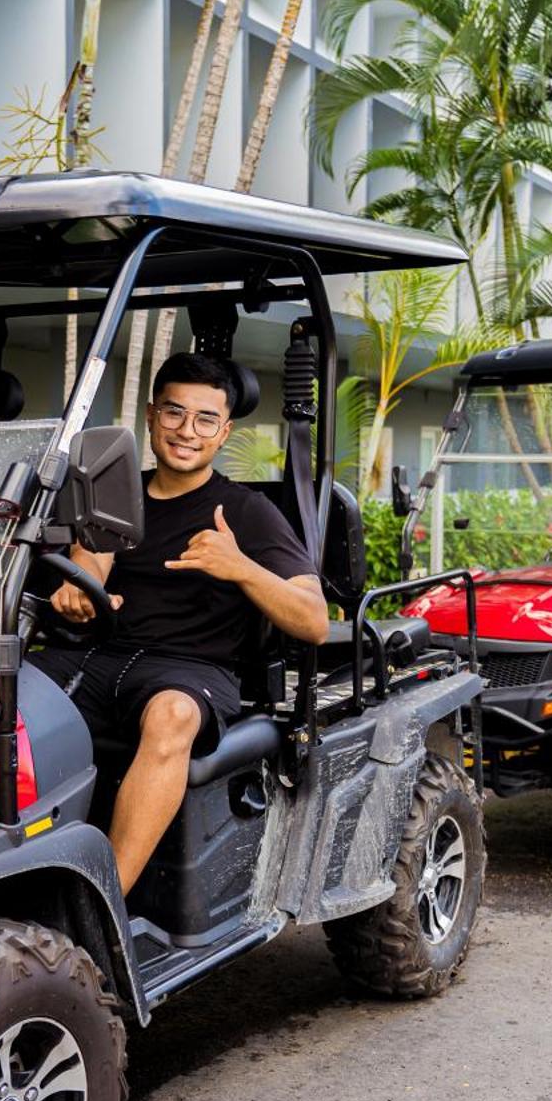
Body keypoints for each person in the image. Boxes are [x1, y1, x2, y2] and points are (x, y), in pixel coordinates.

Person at [31, 352, 329, 894]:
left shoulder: (246, 511)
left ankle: (105, 902)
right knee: (1, 692)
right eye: (173, 414)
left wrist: (239, 566)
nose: (186, 431)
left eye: (204, 419)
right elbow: (91, 562)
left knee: (171, 716)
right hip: (100, 659)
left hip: (192, 670)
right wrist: (77, 589)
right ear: (151, 417)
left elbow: (313, 621)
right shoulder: (116, 493)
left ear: (224, 432)